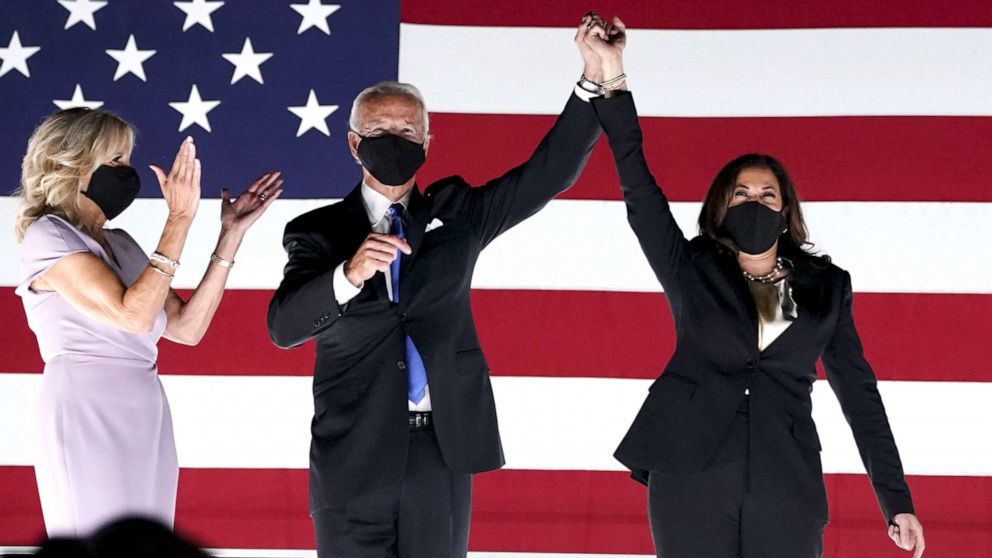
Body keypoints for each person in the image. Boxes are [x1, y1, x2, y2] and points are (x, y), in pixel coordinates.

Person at [575, 15, 926, 558]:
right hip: (690, 473)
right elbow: (640, 190)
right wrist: (615, 81)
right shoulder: (692, 268)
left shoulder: (826, 287)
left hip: (785, 481)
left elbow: (858, 392)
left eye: (767, 194)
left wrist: (895, 498)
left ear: (786, 210)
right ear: (721, 205)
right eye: (741, 193)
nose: (754, 202)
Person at [265, 15, 612, 557]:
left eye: (407, 131)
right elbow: (284, 328)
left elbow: (550, 173)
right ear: (354, 144)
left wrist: (592, 79)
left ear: (428, 140)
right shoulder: (316, 232)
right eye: (379, 131)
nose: (394, 140)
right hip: (352, 454)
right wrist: (348, 275)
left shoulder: (459, 212)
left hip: (441, 449)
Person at [14, 107, 282, 537]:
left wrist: (230, 235)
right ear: (73, 163)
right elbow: (132, 315)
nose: (127, 172)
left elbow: (186, 329)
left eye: (127, 160)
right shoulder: (49, 235)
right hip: (87, 410)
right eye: (115, 160)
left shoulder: (120, 243)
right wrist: (178, 219)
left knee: (147, 546)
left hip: (146, 409)